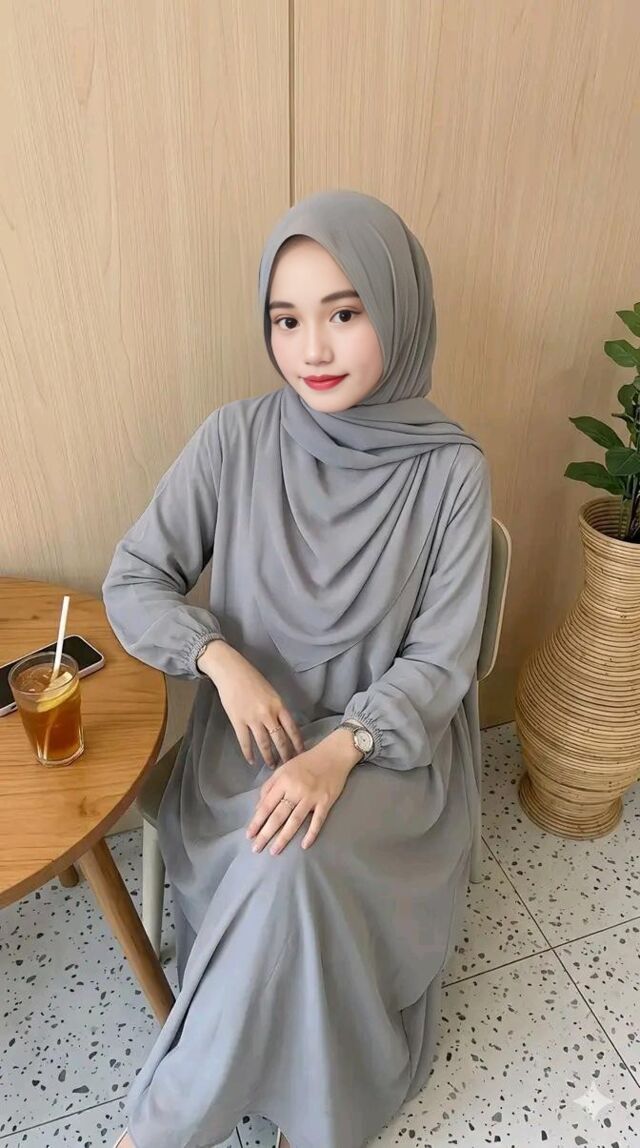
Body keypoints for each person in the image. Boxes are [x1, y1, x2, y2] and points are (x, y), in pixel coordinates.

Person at [103, 188, 493, 1148]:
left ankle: (166, 1128)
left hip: (387, 750)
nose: (311, 349)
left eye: (344, 313)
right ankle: (303, 1098)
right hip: (250, 743)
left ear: (398, 310)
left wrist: (342, 749)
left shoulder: (452, 472)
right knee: (280, 857)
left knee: (293, 864)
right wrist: (218, 658)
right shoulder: (235, 439)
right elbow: (133, 579)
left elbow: (440, 659)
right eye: (287, 320)